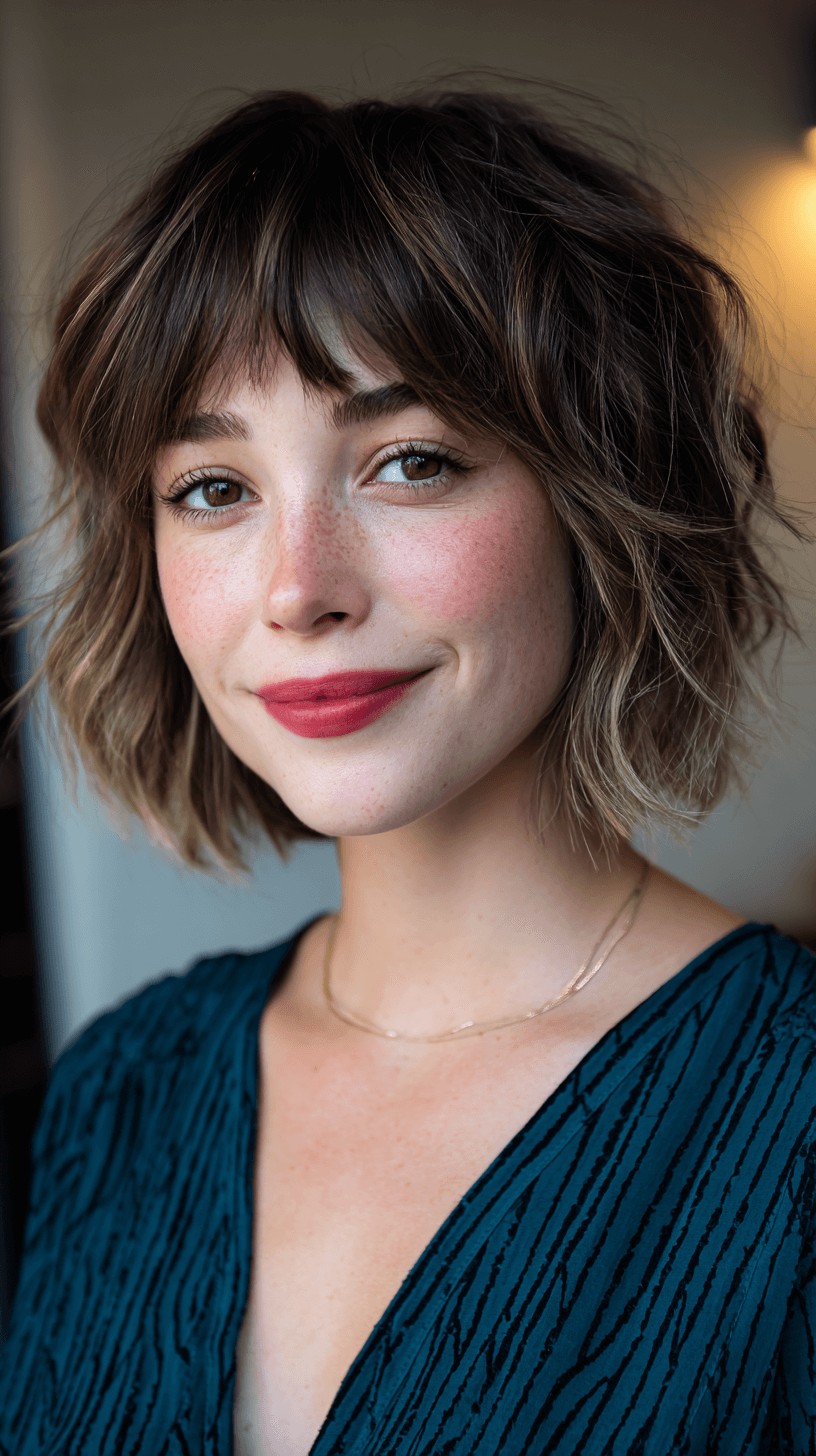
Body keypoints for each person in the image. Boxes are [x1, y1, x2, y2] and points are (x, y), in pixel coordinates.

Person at [0, 78, 814, 1456]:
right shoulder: (125, 1084)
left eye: (411, 462)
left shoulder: (789, 1109)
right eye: (214, 488)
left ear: (596, 497)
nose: (298, 590)